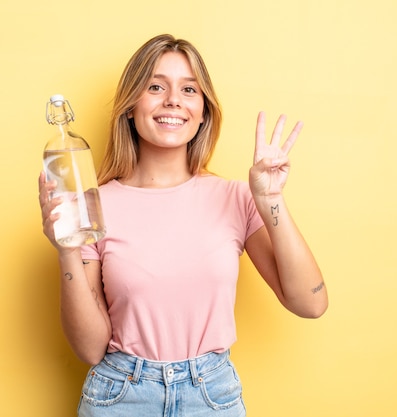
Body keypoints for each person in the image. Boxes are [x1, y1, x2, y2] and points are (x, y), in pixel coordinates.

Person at [38, 33, 328, 417]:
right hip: (121, 397)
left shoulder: (238, 197)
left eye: (188, 89)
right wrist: (67, 251)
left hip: (211, 396)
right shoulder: (96, 204)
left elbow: (310, 302)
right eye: (155, 86)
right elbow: (91, 349)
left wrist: (271, 200)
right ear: (130, 107)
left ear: (203, 110)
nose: (173, 100)